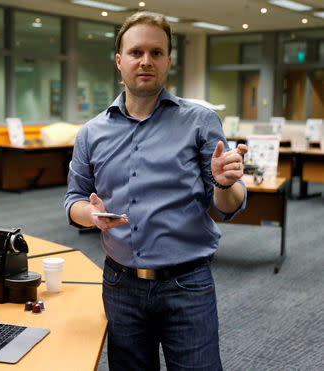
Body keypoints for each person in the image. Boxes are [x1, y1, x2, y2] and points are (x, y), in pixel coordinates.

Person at [64, 11, 248, 371]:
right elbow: (73, 200)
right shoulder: (91, 132)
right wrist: (92, 216)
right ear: (119, 61)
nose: (145, 61)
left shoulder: (200, 121)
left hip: (187, 284)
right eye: (136, 52)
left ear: (167, 60)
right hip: (120, 284)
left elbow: (228, 203)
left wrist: (225, 183)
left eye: (156, 52)